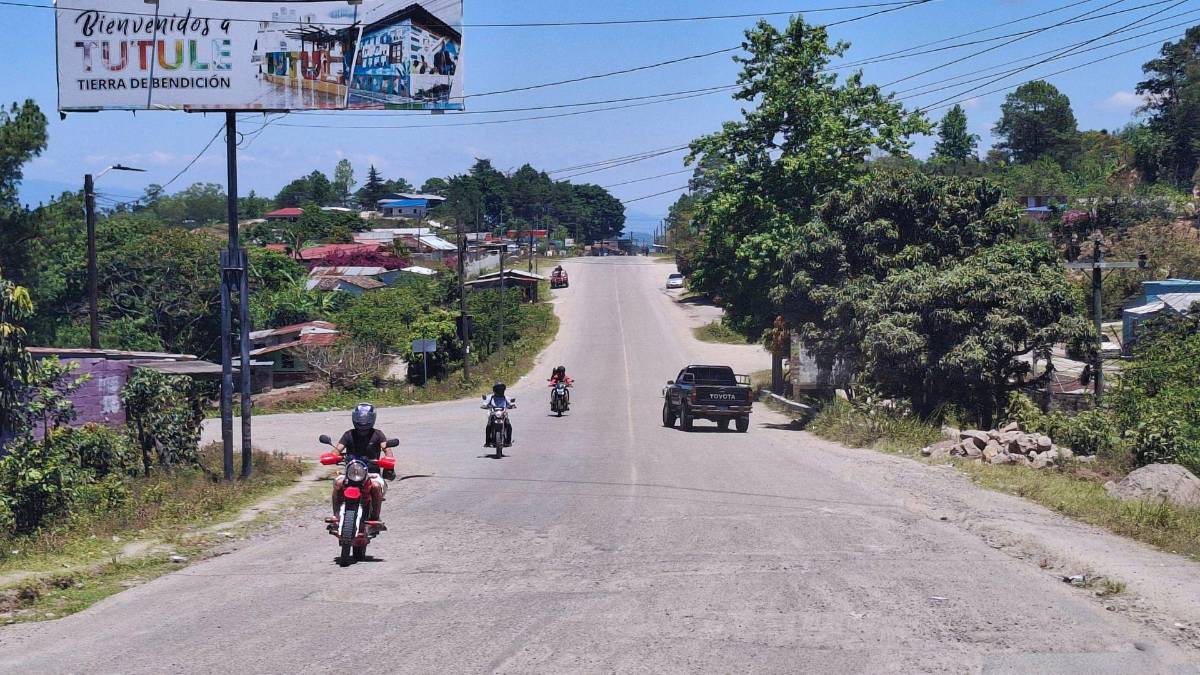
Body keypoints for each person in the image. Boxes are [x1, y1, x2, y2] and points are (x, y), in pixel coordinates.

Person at [326, 403, 393, 533]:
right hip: (352, 472)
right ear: (354, 418)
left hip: (372, 473)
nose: (363, 422)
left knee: (376, 486)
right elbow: (337, 449)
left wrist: (388, 460)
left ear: (372, 419)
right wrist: (332, 456)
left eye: (366, 419)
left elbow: (387, 449)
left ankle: (375, 518)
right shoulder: (348, 434)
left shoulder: (378, 434)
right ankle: (336, 515)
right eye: (360, 419)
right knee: (338, 483)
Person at [483, 382, 515, 447]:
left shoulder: (506, 397)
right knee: (488, 425)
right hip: (493, 414)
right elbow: (485, 403)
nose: (500, 391)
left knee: (508, 425)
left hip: (503, 414)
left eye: (501, 389)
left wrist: (512, 405)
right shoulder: (490, 397)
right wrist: (484, 406)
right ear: (495, 390)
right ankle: (487, 442)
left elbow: (510, 403)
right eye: (498, 389)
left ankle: (508, 442)